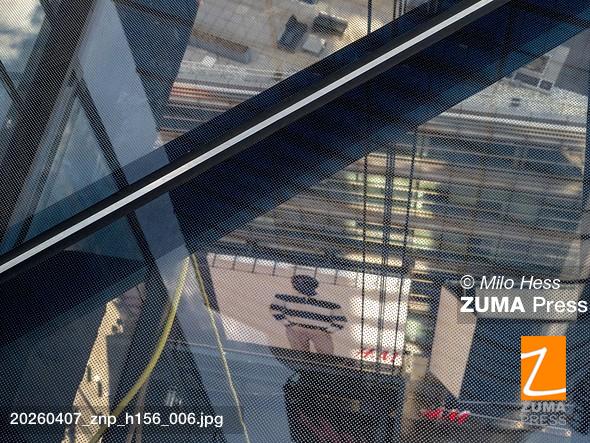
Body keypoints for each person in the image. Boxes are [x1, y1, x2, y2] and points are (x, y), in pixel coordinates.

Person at [270, 274, 346, 355]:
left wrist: (327, 331)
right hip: (296, 329)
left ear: (310, 284)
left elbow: (341, 320)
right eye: (293, 282)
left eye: (297, 282)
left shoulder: (330, 303)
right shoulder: (284, 297)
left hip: (319, 331)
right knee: (300, 355)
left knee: (326, 355)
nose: (294, 285)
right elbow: (274, 309)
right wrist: (288, 324)